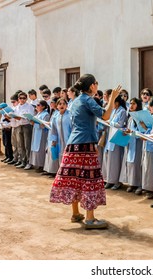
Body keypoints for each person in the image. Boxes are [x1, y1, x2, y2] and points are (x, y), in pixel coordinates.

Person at [50, 74, 121, 229]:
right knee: (90, 179)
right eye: (96, 83)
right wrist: (112, 99)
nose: (97, 85)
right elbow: (106, 116)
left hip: (72, 145)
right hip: (85, 145)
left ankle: (75, 213)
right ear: (91, 86)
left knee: (74, 178)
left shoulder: (74, 101)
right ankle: (90, 218)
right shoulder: (88, 100)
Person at [103, 95, 128, 190]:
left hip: (117, 138)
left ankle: (117, 181)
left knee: (116, 160)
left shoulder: (122, 111)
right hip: (110, 136)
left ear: (116, 103)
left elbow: (120, 124)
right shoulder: (113, 110)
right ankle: (110, 180)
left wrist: (110, 123)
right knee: (109, 159)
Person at [122, 98, 144, 195]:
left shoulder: (140, 117)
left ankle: (139, 185)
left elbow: (143, 131)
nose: (131, 105)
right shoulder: (130, 118)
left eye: (133, 104)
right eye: (130, 103)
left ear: (138, 105)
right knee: (130, 163)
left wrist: (132, 132)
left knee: (137, 163)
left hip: (138, 143)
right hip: (130, 143)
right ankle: (132, 183)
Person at [26, 100, 50, 171]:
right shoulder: (38, 114)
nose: (36, 106)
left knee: (41, 148)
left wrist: (34, 124)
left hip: (42, 134)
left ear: (43, 106)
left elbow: (44, 125)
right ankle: (37, 164)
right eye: (36, 105)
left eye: (38, 105)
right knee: (35, 147)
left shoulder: (46, 115)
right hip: (36, 132)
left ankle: (42, 165)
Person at [14, 91, 35, 169]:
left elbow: (31, 116)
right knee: (20, 145)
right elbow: (15, 116)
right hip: (19, 125)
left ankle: (29, 162)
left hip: (27, 125)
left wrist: (23, 117)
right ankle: (23, 161)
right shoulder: (17, 107)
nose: (22, 100)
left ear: (26, 99)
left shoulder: (29, 106)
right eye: (20, 98)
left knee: (27, 144)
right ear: (18, 99)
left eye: (24, 98)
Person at [50, 98, 72, 164]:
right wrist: (54, 140)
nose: (62, 105)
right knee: (61, 156)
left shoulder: (70, 115)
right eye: (60, 104)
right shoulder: (55, 116)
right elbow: (54, 129)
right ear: (57, 106)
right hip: (59, 141)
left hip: (69, 140)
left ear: (66, 105)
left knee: (69, 156)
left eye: (64, 104)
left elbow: (73, 128)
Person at [42, 97, 60, 177]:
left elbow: (55, 124)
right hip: (50, 132)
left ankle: (54, 171)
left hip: (55, 134)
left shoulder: (58, 113)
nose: (51, 104)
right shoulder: (54, 112)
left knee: (53, 151)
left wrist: (47, 123)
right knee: (49, 151)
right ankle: (49, 169)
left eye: (52, 102)